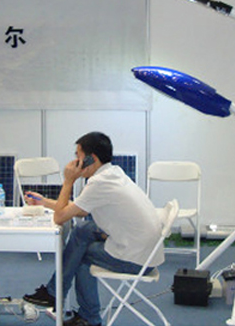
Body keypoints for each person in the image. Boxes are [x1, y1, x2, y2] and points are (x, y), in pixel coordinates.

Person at [22, 132, 164, 326]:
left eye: (78, 157)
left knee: (80, 256)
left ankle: (86, 317)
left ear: (91, 159)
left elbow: (60, 217)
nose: (74, 162)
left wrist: (68, 181)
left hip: (137, 260)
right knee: (83, 229)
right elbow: (79, 211)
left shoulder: (98, 183)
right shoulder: (112, 173)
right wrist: (44, 202)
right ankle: (54, 293)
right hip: (146, 250)